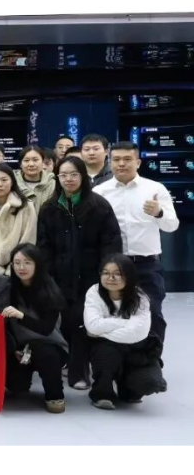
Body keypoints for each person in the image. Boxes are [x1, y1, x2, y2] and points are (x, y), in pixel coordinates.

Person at [38, 156, 122, 390]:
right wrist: (46, 278)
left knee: (82, 321)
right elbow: (43, 247)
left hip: (91, 277)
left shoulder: (99, 206)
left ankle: (79, 370)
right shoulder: (49, 208)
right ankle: (70, 364)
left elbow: (111, 243)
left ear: (83, 176)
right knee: (66, 321)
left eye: (74, 174)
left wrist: (107, 275)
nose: (68, 179)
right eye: (63, 175)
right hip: (59, 277)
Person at [95, 141, 178, 344]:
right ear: (110, 162)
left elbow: (172, 225)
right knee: (115, 316)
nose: (121, 164)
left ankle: (152, 359)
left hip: (146, 264)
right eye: (116, 159)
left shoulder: (154, 189)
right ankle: (120, 361)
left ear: (138, 162)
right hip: (113, 266)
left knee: (153, 314)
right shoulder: (99, 192)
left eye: (127, 159)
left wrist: (158, 212)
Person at [84, 254, 167, 410]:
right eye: (106, 273)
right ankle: (102, 393)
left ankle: (128, 390)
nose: (111, 278)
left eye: (118, 274)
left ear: (129, 276)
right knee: (105, 353)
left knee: (151, 383)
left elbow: (137, 333)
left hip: (138, 350)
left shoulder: (141, 297)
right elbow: (93, 325)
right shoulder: (94, 292)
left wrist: (102, 331)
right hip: (108, 348)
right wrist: (125, 323)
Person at [2, 244, 68, 414]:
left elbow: (46, 329)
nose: (21, 267)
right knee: (17, 387)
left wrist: (21, 316)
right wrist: (14, 348)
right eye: (17, 263)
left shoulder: (50, 290)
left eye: (27, 262)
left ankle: (55, 396)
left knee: (46, 354)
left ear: (37, 264)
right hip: (21, 348)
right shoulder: (8, 288)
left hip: (50, 345)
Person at [15, 145, 56, 212]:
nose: (31, 164)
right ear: (20, 164)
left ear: (42, 162)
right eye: (26, 160)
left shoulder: (53, 185)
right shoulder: (13, 184)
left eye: (35, 160)